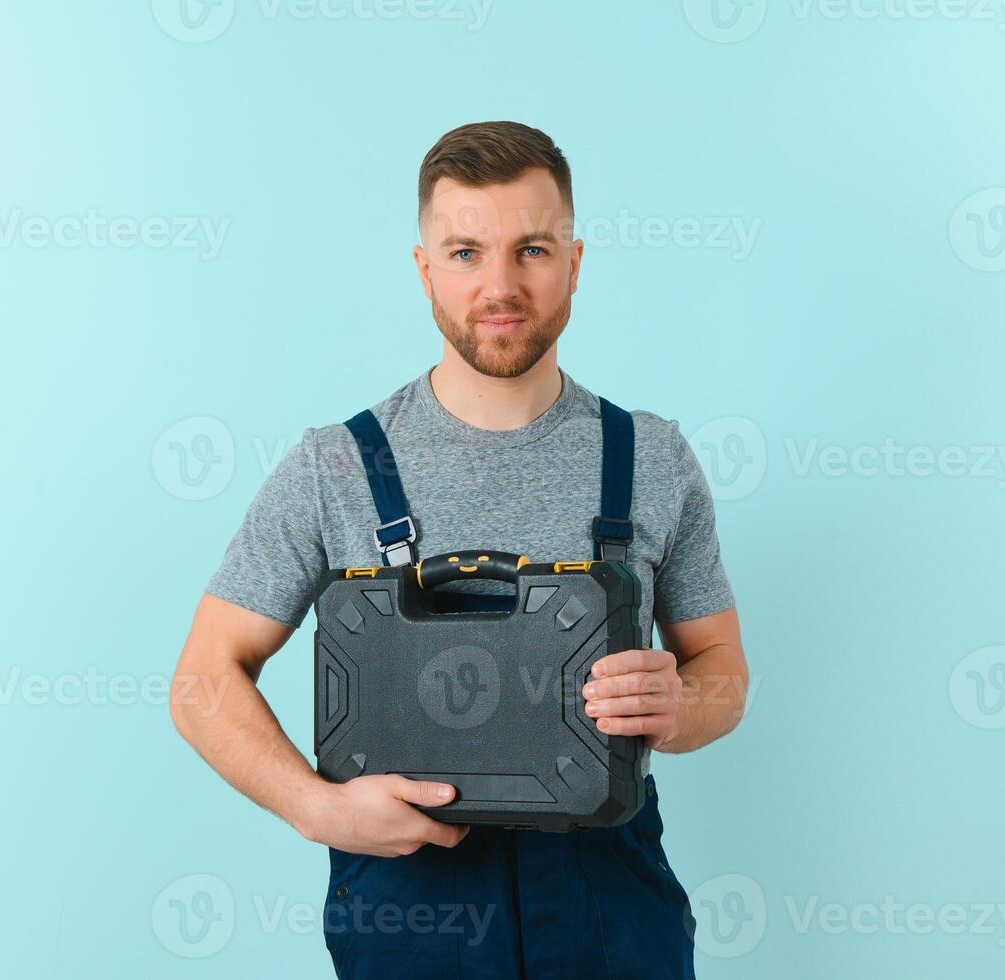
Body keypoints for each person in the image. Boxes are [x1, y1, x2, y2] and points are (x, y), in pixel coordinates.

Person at [170, 120, 748, 979]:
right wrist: (315, 809)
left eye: (533, 250)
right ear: (424, 269)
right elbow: (201, 680)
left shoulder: (652, 457)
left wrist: (680, 706)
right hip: (412, 905)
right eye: (467, 252)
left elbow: (722, 674)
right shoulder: (334, 465)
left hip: (609, 906)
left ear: (576, 263)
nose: (501, 285)